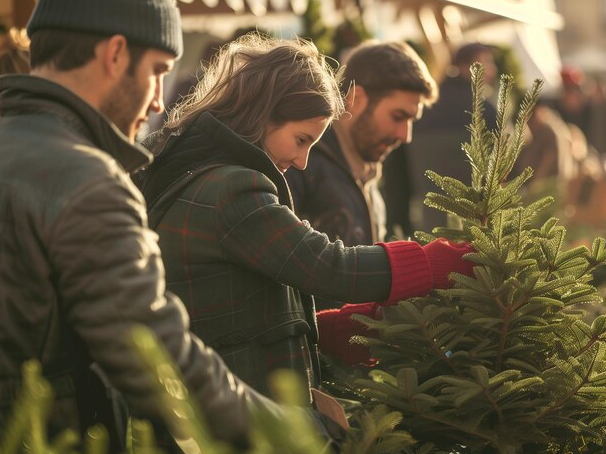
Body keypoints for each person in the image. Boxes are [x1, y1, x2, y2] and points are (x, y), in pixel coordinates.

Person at [0, 0, 287, 449]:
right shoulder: (86, 180)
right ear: (115, 54)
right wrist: (295, 432)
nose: (158, 98)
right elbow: (156, 356)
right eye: (158, 69)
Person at [137, 35, 474, 405]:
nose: (302, 162)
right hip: (244, 414)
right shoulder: (232, 189)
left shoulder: (214, 177)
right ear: (261, 115)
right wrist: (435, 262)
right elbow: (327, 265)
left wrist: (335, 330)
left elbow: (256, 300)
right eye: (300, 140)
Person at [286, 41, 438, 250]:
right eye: (398, 116)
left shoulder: (367, 173)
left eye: (412, 121)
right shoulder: (298, 165)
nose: (405, 135)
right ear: (357, 99)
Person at [405, 42, 499, 234]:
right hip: (473, 221)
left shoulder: (430, 103)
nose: (492, 69)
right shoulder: (483, 108)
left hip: (429, 218)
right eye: (485, 62)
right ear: (465, 66)